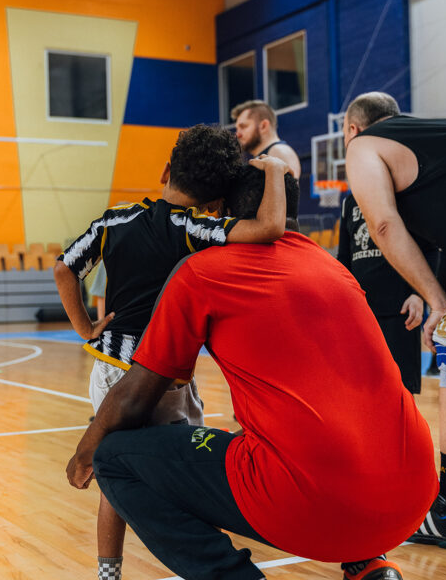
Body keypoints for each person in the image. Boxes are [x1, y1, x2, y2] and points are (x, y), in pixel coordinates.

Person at [67, 165, 437, 580]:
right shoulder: (336, 270)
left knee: (113, 456)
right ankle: (371, 565)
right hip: (414, 493)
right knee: (324, 434)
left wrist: (85, 453)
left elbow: (135, 397)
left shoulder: (202, 271)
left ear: (224, 214)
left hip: (313, 506)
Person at [55, 124, 288, 580]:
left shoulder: (114, 219)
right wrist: (276, 170)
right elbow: (270, 227)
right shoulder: (193, 226)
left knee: (114, 473)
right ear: (213, 201)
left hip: (109, 368)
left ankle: (108, 574)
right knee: (188, 473)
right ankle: (203, 565)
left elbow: (65, 269)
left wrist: (86, 328)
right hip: (161, 376)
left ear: (166, 170)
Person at [343, 91, 446, 547]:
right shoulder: (427, 141)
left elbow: (384, 226)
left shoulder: (363, 147)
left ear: (351, 129)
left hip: (397, 304)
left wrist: (436, 302)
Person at [338, 193, 438, 394]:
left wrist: (418, 294)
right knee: (362, 390)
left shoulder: (406, 194)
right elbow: (344, 257)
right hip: (361, 312)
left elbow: (430, 249)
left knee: (401, 391)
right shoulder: (349, 202)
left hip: (400, 311)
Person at [231, 99, 301, 179]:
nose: (237, 134)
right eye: (237, 129)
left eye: (243, 126)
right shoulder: (266, 156)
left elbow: (289, 187)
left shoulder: (280, 151)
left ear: (263, 126)